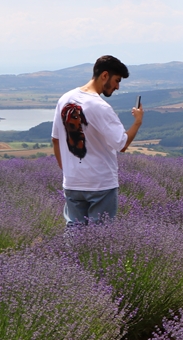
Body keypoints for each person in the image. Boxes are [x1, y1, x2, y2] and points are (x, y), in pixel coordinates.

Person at [52, 55, 143, 225]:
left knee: (74, 232)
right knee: (100, 234)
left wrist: (67, 171)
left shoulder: (64, 99)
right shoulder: (100, 106)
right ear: (104, 75)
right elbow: (122, 144)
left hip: (72, 183)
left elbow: (55, 140)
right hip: (100, 184)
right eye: (116, 80)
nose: (117, 87)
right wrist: (138, 121)